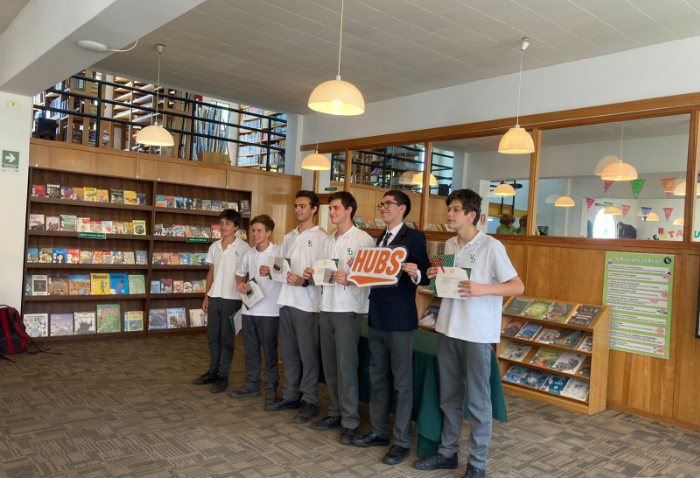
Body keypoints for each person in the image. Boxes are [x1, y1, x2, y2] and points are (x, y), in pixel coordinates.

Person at [414, 189, 524, 478]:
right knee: (449, 397)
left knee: (478, 400)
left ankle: (477, 463)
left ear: (471, 215)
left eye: (455, 210)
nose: (449, 214)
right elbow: (447, 286)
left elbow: (517, 286)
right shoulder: (449, 244)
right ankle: (447, 453)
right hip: (447, 328)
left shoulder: (491, 246)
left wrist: (482, 288)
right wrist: (434, 277)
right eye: (449, 209)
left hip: (477, 333)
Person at [353, 190, 430, 465]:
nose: (383, 207)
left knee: (402, 383)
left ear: (402, 208)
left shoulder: (414, 237)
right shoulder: (379, 239)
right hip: (376, 318)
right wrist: (357, 269)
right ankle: (379, 431)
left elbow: (426, 274)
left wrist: (416, 272)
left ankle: (401, 442)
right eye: (382, 204)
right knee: (377, 378)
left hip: (399, 320)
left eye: (388, 204)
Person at [305, 192, 375, 445]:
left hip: (349, 310)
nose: (332, 212)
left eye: (336, 208)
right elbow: (323, 273)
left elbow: (370, 277)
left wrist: (350, 278)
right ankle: (335, 412)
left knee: (346, 367)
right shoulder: (327, 240)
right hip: (326, 306)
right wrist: (313, 273)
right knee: (331, 365)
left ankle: (350, 421)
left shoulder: (364, 240)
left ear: (349, 210)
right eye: (331, 208)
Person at [264, 191, 328, 424]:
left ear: (314, 209)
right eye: (296, 206)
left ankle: (309, 401)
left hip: (308, 305)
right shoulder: (289, 236)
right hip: (286, 301)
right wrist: (270, 271)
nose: (297, 210)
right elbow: (280, 267)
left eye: (302, 206)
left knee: (308, 355)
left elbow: (326, 273)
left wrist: (305, 281)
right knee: (289, 354)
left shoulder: (322, 237)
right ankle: (291, 395)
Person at [192, 209, 250, 394]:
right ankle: (213, 371)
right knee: (212, 337)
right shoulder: (214, 246)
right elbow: (211, 272)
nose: (223, 227)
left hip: (233, 299)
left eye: (228, 224)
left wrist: (245, 299)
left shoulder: (244, 248)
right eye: (222, 223)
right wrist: (206, 295)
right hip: (215, 296)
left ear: (236, 227)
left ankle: (223, 376)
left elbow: (247, 275)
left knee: (227, 339)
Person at [231, 214, 283, 407]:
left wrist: (271, 271)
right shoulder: (249, 253)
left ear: (269, 233)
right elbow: (239, 274)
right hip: (249, 309)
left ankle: (271, 387)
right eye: (254, 231)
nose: (255, 234)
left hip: (270, 311)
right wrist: (240, 284)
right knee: (251, 350)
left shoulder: (278, 251)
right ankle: (251, 384)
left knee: (270, 351)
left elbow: (283, 273)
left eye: (259, 231)